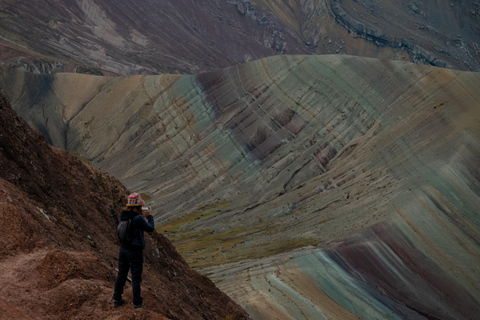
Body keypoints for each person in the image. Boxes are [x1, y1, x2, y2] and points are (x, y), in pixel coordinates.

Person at [112, 193, 155, 309]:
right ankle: (137, 304)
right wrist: (150, 216)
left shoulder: (124, 215)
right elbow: (150, 228)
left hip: (123, 249)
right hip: (135, 251)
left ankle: (117, 298)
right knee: (136, 277)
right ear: (138, 206)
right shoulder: (138, 218)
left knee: (122, 273)